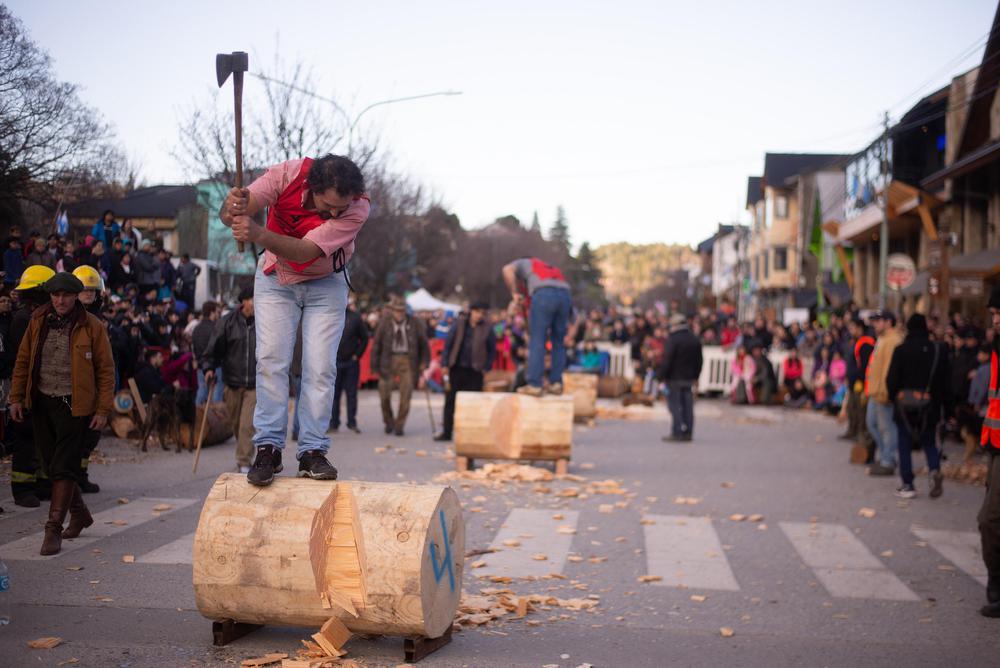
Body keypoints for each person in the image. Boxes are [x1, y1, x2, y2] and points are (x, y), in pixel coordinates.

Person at [220, 153, 370, 486]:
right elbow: (230, 215)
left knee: (320, 367)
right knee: (271, 361)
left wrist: (257, 233)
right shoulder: (286, 175)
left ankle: (312, 451)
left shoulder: (358, 207)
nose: (333, 214)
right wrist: (232, 206)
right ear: (312, 187)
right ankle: (268, 448)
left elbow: (304, 252)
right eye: (328, 205)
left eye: (339, 209)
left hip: (326, 283)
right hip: (276, 280)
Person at [8, 272, 114, 555]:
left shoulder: (92, 326)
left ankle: (53, 528)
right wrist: (16, 397)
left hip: (75, 406)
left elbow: (105, 370)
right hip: (42, 402)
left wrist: (103, 410)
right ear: (49, 296)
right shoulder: (38, 321)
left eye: (66, 295)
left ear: (77, 296)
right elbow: (22, 360)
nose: (61, 300)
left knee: (64, 465)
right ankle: (79, 513)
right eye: (56, 295)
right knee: (52, 465)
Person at [2, 265, 55, 507]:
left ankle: (43, 485)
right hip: (26, 388)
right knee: (26, 439)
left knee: (43, 438)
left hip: (43, 388)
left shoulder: (43, 316)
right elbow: (24, 360)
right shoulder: (24, 319)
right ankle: (22, 488)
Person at [886, 313, 948, 499]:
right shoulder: (937, 350)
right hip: (929, 405)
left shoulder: (901, 350)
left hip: (904, 404)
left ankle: (908, 483)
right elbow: (943, 381)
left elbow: (892, 378)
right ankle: (934, 469)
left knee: (904, 443)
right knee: (929, 441)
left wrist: (893, 397)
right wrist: (943, 406)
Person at [200, 287, 256, 474]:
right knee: (236, 424)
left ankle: (244, 462)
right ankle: (244, 455)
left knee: (247, 425)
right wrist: (208, 368)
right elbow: (213, 349)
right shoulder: (227, 323)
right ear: (244, 301)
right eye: (254, 299)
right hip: (232, 382)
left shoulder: (264, 322)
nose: (257, 304)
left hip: (254, 385)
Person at [502, 257, 572, 396]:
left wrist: (515, 293)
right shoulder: (549, 268)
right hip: (565, 295)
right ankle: (556, 383)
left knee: (537, 341)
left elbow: (507, 270)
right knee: (558, 342)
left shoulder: (523, 262)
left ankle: (534, 384)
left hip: (544, 294)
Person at [435, 301, 496, 442]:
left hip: (475, 370)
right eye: (477, 312)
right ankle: (447, 431)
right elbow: (448, 345)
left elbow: (492, 351)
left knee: (473, 404)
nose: (479, 315)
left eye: (482, 313)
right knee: (450, 401)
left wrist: (486, 367)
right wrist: (444, 364)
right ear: (472, 311)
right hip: (456, 368)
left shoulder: (487, 328)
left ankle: (471, 434)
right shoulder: (459, 324)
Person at [71, 265, 108, 493]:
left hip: (92, 387)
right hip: (72, 389)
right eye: (85, 290)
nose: (89, 295)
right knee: (71, 438)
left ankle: (80, 475)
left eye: (92, 291)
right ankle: (68, 479)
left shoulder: (98, 320)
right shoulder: (67, 318)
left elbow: (105, 363)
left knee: (89, 437)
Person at [371, 296, 430, 436]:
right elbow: (377, 344)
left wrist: (424, 363)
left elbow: (424, 345)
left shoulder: (415, 322)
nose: (399, 314)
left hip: (408, 360)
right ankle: (388, 421)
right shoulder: (384, 322)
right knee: (383, 394)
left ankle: (399, 424)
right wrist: (374, 366)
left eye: (402, 311)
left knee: (406, 394)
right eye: (397, 311)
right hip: (388, 359)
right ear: (392, 311)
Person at [978, 286, 1000, 617]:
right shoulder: (997, 349)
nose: (994, 321)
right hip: (995, 445)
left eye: (998, 314)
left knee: (990, 519)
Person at [865, 310, 904, 476]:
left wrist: (887, 391)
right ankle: (886, 456)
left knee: (887, 428)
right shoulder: (882, 339)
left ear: (888, 322)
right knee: (872, 423)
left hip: (883, 392)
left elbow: (890, 369)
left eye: (879, 321)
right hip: (875, 391)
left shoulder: (893, 340)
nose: (875, 324)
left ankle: (888, 460)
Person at [657, 313, 703, 442]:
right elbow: (699, 360)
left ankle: (677, 432)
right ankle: (688, 432)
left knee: (675, 406)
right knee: (688, 406)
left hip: (674, 378)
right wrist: (696, 376)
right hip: (688, 378)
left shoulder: (673, 339)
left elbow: (667, 360)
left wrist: (660, 376)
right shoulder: (694, 338)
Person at [330, 302, 369, 434]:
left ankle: (352, 422)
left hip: (351, 362)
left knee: (351, 394)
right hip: (335, 361)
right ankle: (334, 423)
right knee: (334, 395)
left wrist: (357, 356)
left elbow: (364, 338)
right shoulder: (331, 315)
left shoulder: (355, 318)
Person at [191, 301, 224, 405]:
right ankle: (216, 418)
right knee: (217, 393)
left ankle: (198, 417)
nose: (218, 315)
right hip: (216, 365)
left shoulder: (196, 329)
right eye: (217, 312)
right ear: (212, 312)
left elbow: (193, 347)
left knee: (202, 391)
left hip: (201, 366)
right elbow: (219, 348)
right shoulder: (215, 328)